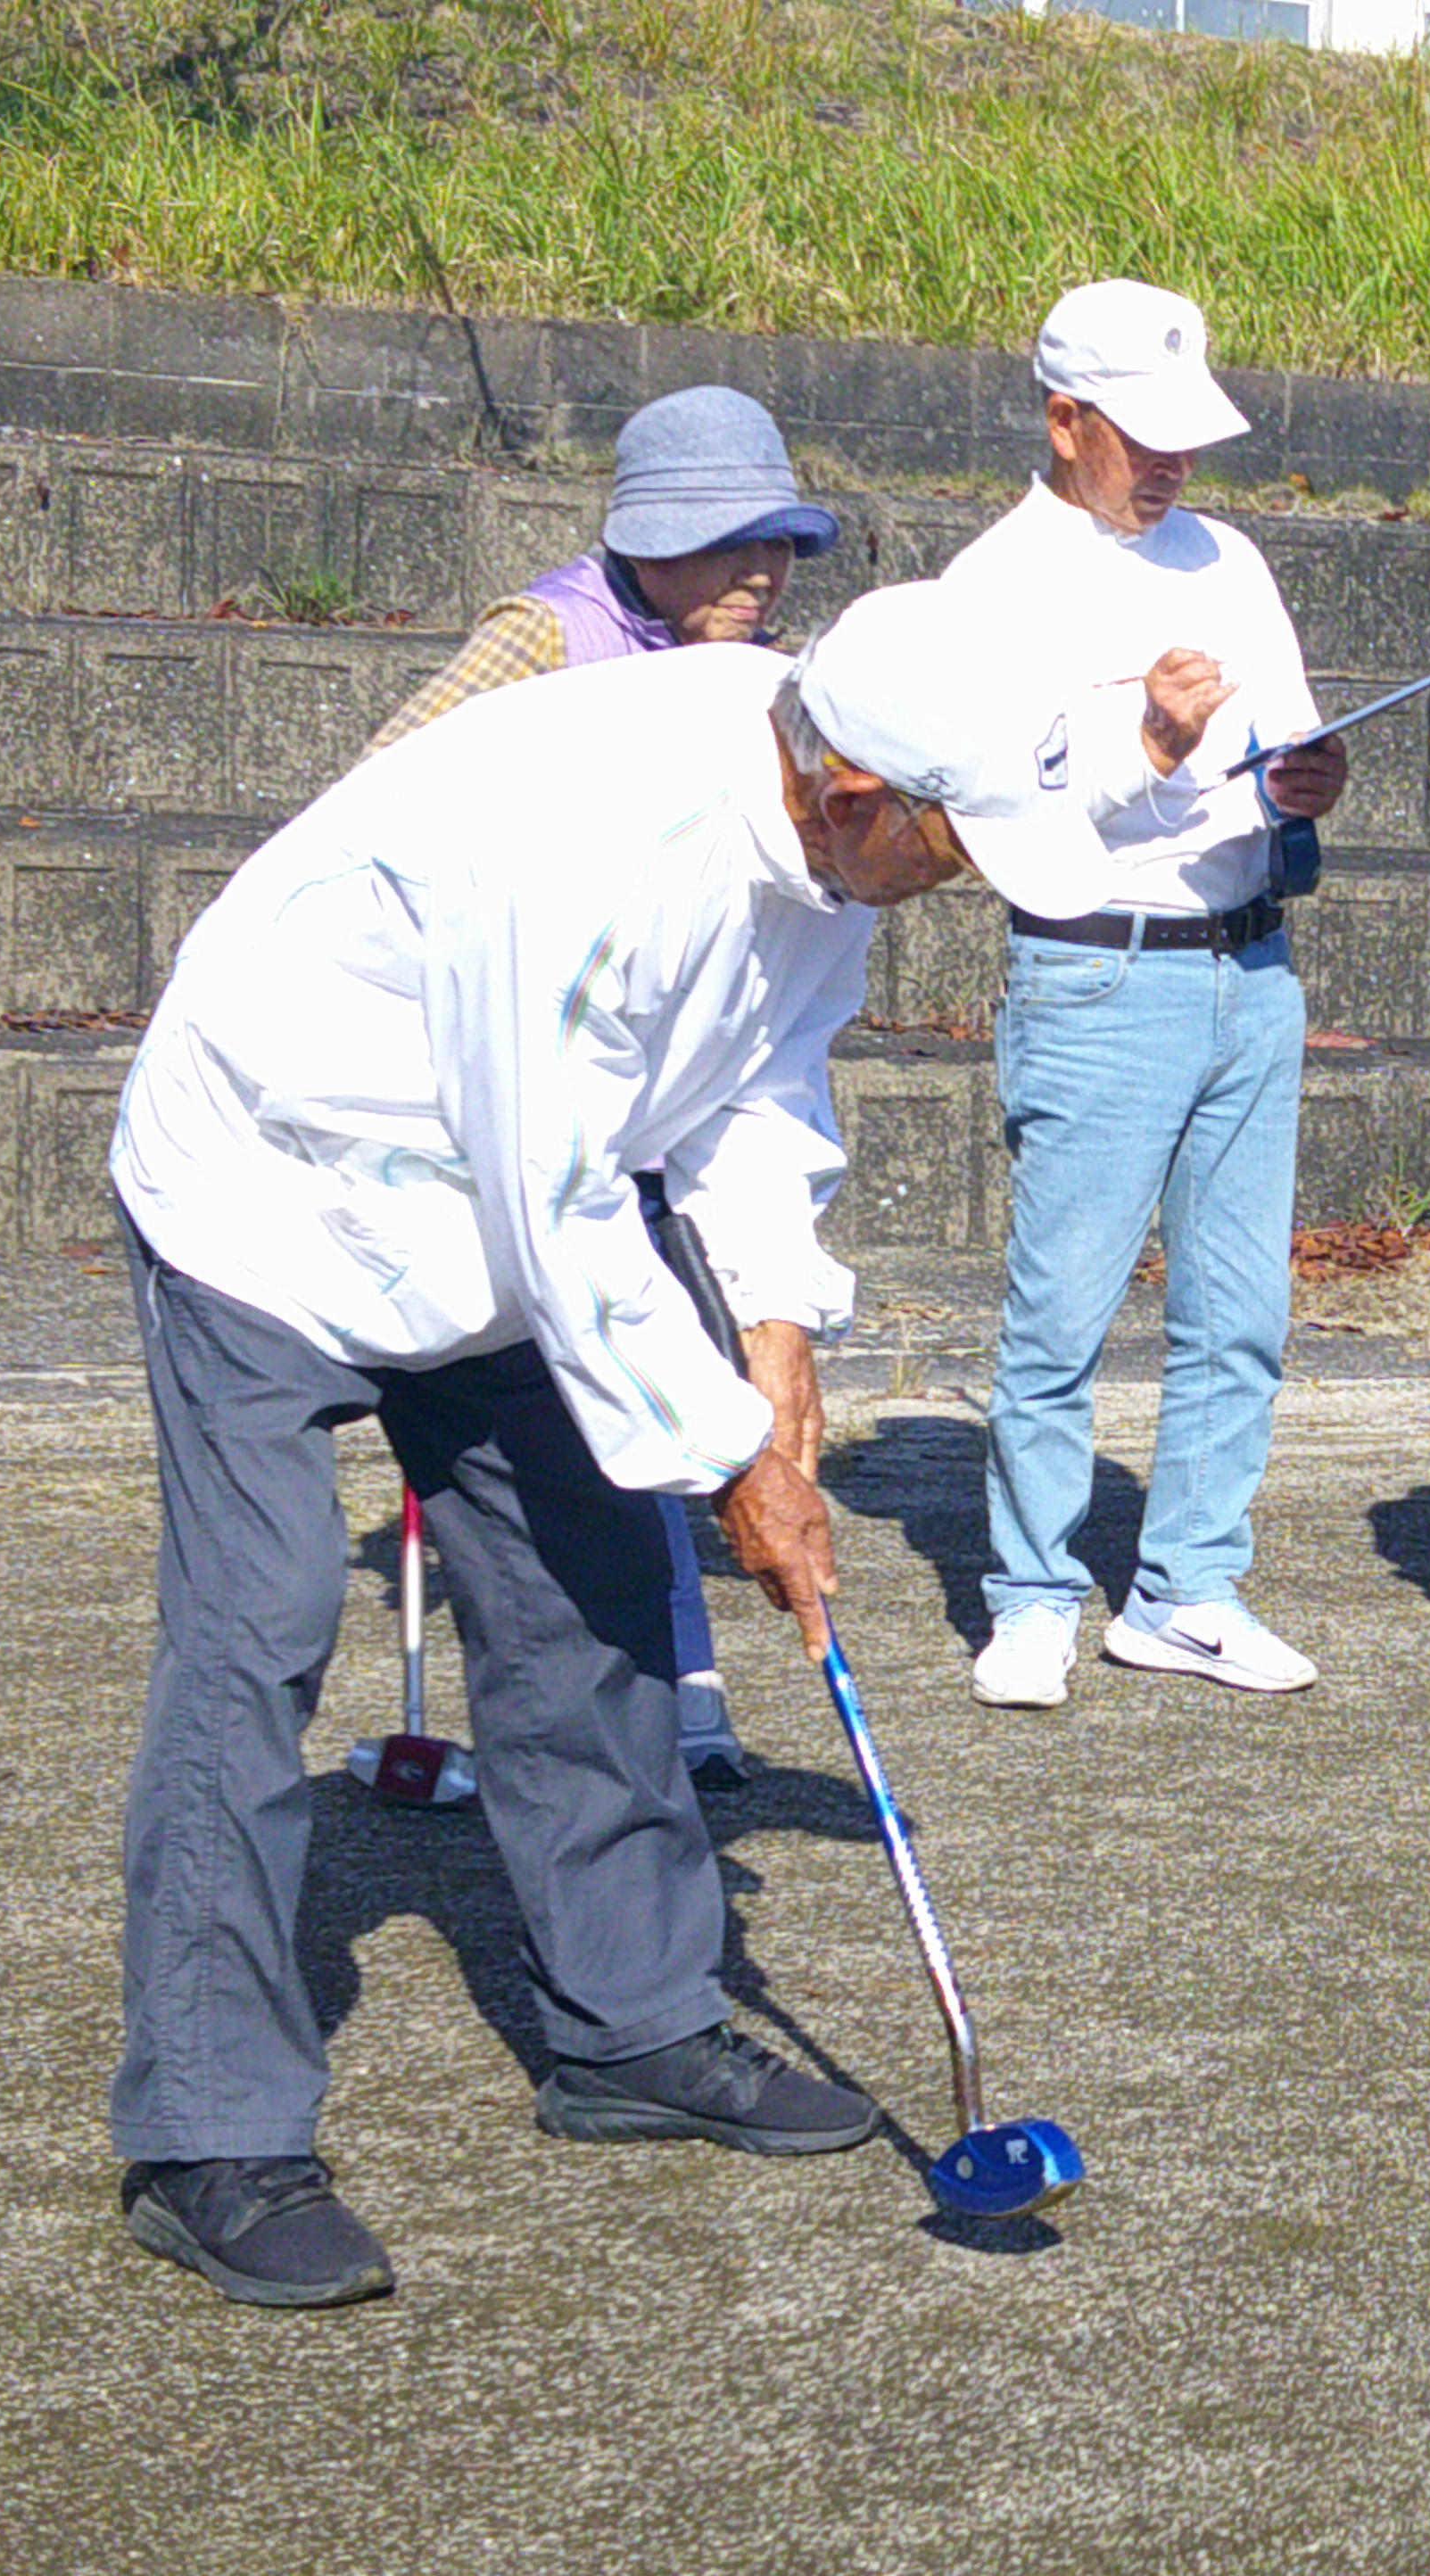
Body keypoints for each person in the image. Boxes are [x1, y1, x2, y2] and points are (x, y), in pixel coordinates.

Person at [105, 580, 1127, 2308]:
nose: (954, 885)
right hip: (272, 1188)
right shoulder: (593, 839)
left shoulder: (826, 803)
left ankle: (628, 2025)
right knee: (259, 1630)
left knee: (587, 1596)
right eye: (954, 850)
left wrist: (778, 1322)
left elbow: (753, 1077)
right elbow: (560, 1195)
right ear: (856, 797)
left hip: (495, 1226)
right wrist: (734, 1455)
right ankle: (205, 2128)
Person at [365, 384, 845, 1794]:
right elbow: (387, 798)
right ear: (644, 538)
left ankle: (684, 1694)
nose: (762, 572)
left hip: (654, 1090)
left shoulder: (768, 682)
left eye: (783, 544)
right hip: (500, 1085)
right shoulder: (547, 636)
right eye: (728, 542)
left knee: (671, 1371)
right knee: (548, 1421)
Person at [939, 278, 1350, 1710]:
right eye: (1139, 434)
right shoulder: (992, 584)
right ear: (1065, 420)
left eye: (1189, 433)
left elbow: (1291, 733)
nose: (1172, 462)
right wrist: (1152, 740)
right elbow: (993, 802)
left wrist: (1312, 778)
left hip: (1249, 961)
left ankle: (1187, 1586)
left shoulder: (1227, 557)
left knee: (1240, 1309)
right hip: (1097, 969)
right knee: (1060, 1312)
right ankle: (1035, 1591)